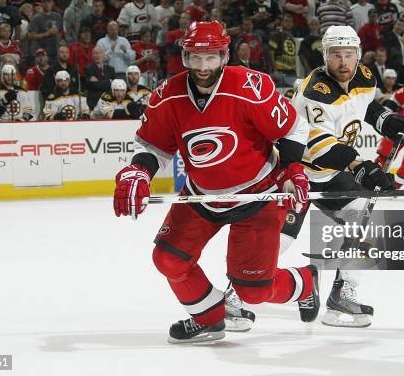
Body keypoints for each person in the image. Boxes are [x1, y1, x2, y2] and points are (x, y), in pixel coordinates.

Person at [112, 20, 318, 343]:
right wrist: (140, 171)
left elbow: (293, 129)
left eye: (211, 58)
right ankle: (209, 317)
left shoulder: (251, 86)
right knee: (168, 259)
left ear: (224, 56)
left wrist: (293, 169)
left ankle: (306, 283)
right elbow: (152, 145)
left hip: (259, 197)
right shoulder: (168, 95)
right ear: (185, 57)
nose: (203, 66)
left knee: (253, 291)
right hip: (202, 196)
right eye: (196, 57)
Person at [275, 25, 404, 328]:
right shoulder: (315, 92)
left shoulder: (364, 76)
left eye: (349, 54)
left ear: (359, 55)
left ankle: (342, 296)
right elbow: (319, 146)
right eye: (335, 55)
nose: (343, 61)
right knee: (275, 241)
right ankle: (235, 295)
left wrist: (386, 120)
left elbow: (365, 106)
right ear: (325, 57)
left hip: (332, 172)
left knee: (365, 222)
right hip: (295, 171)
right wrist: (359, 166)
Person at [28, 0, 63, 64]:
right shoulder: (36, 18)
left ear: (53, 3)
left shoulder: (58, 16)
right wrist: (46, 34)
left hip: (55, 51)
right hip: (41, 52)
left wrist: (57, 35)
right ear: (41, 4)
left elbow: (61, 32)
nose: (47, 4)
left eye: (49, 2)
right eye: (44, 2)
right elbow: (30, 35)